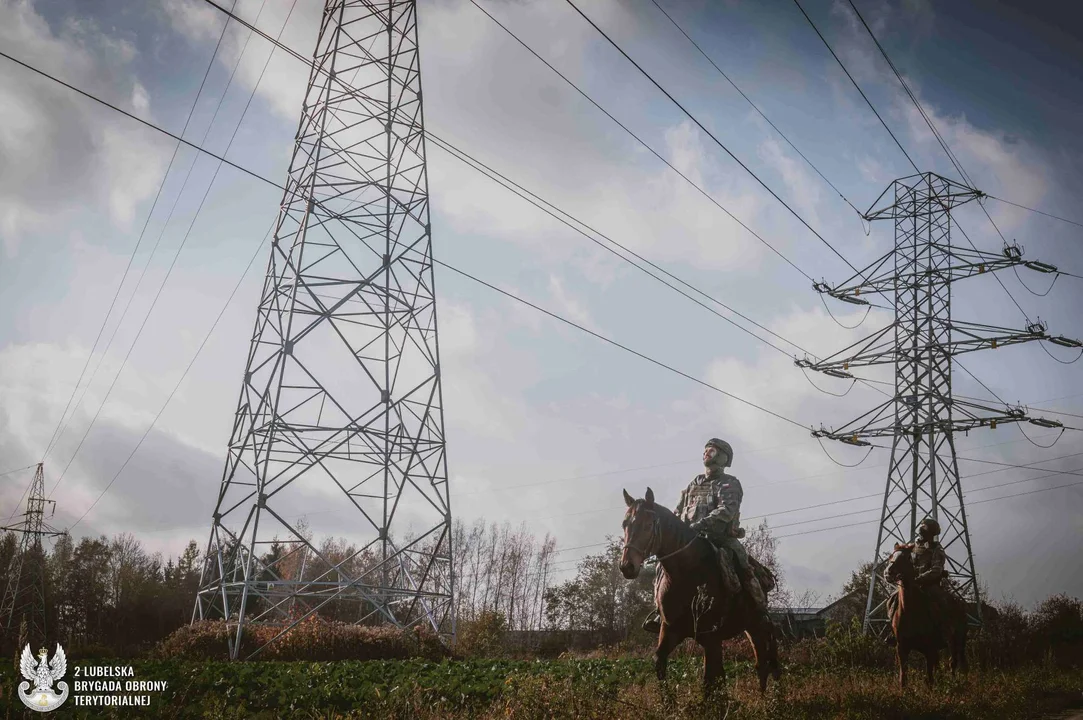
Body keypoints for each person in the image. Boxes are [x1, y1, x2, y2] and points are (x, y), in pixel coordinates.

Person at [643, 438, 767, 634]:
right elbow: (679, 509)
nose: (707, 453)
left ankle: (757, 605)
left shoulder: (729, 483)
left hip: (719, 538)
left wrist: (701, 525)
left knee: (740, 562)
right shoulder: (695, 483)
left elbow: (726, 510)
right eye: (706, 449)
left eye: (713, 450)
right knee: (663, 564)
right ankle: (661, 611)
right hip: (688, 539)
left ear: (724, 458)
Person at [886, 517, 963, 630]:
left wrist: (920, 579)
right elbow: (899, 563)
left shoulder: (937, 549)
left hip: (929, 584)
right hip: (910, 583)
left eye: (926, 531)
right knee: (893, 600)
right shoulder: (911, 548)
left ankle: (946, 630)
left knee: (942, 601)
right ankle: (893, 629)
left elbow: (936, 570)